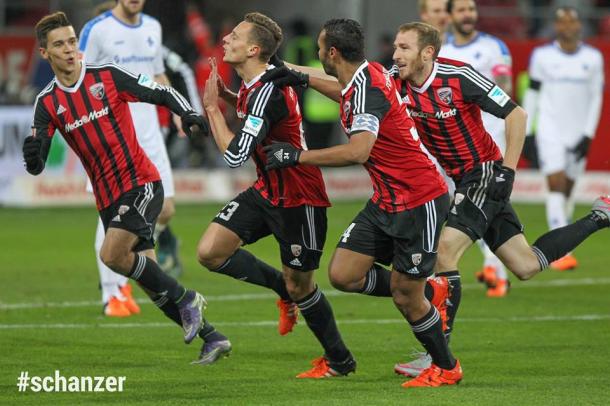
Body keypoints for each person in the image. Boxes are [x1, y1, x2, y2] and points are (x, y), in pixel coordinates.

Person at [261, 21, 610, 380]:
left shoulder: (458, 78)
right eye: (395, 47)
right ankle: (599, 217)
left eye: (404, 48)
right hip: (457, 179)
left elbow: (517, 114)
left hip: (485, 174)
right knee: (525, 265)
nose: (396, 55)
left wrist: (508, 170)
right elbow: (349, 88)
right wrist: (289, 71)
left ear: (428, 53)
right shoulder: (395, 80)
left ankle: (437, 356)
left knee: (444, 252)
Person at [263, 18, 463, 388]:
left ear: (332, 53)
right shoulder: (365, 74)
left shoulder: (367, 88)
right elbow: (344, 93)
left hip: (419, 199)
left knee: (406, 298)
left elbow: (359, 150)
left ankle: (446, 366)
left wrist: (297, 156)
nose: (319, 54)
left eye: (321, 49)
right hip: (387, 200)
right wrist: (302, 78)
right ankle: (428, 290)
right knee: (344, 274)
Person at [24, 11, 231, 365]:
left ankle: (188, 298)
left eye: (72, 41)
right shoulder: (46, 104)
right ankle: (213, 338)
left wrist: (187, 113)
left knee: (111, 255)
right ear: (45, 53)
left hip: (141, 182)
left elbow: (160, 90)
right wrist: (32, 156)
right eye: (59, 45)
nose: (70, 50)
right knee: (151, 282)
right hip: (108, 198)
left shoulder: (107, 76)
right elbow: (38, 163)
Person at [199, 12, 356, 378]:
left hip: (301, 199)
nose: (226, 40)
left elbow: (235, 154)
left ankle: (339, 360)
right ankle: (282, 292)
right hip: (268, 190)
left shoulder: (266, 91)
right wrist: (229, 96)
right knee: (210, 252)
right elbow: (259, 115)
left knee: (303, 285)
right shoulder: (256, 85)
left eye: (235, 36)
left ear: (254, 49)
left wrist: (211, 109)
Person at [79, 0, 183, 317]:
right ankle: (113, 293)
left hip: (149, 132)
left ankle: (136, 253)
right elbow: (78, 78)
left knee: (165, 208)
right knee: (111, 213)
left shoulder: (153, 27)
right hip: (112, 135)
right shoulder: (96, 30)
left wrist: (178, 108)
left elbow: (159, 74)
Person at [439, 0, 514, 296]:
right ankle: (492, 263)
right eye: (462, 10)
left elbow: (505, 87)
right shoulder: (442, 51)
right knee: (462, 203)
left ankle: (496, 269)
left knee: (482, 201)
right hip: (455, 143)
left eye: (471, 9)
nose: (469, 15)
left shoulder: (495, 47)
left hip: (489, 137)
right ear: (451, 16)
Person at [522, 7, 604, 271]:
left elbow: (596, 97)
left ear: (579, 25)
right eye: (561, 22)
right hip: (550, 128)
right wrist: (529, 131)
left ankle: (563, 232)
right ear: (555, 26)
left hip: (578, 131)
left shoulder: (593, 58)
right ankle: (562, 250)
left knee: (568, 187)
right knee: (555, 183)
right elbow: (533, 94)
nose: (566, 26)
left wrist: (588, 134)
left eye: (571, 21)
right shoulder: (542, 56)